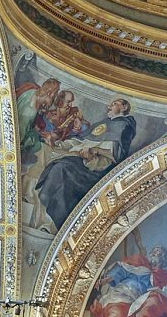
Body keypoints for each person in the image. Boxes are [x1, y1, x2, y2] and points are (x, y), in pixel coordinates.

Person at [36, 98, 137, 229]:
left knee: (60, 168)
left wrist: (91, 157)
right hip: (79, 159)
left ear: (124, 108)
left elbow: (111, 157)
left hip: (96, 171)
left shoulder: (123, 126)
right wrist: (58, 144)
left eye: (114, 104)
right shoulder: (103, 123)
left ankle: (53, 218)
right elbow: (81, 141)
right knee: (46, 153)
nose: (109, 107)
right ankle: (45, 213)